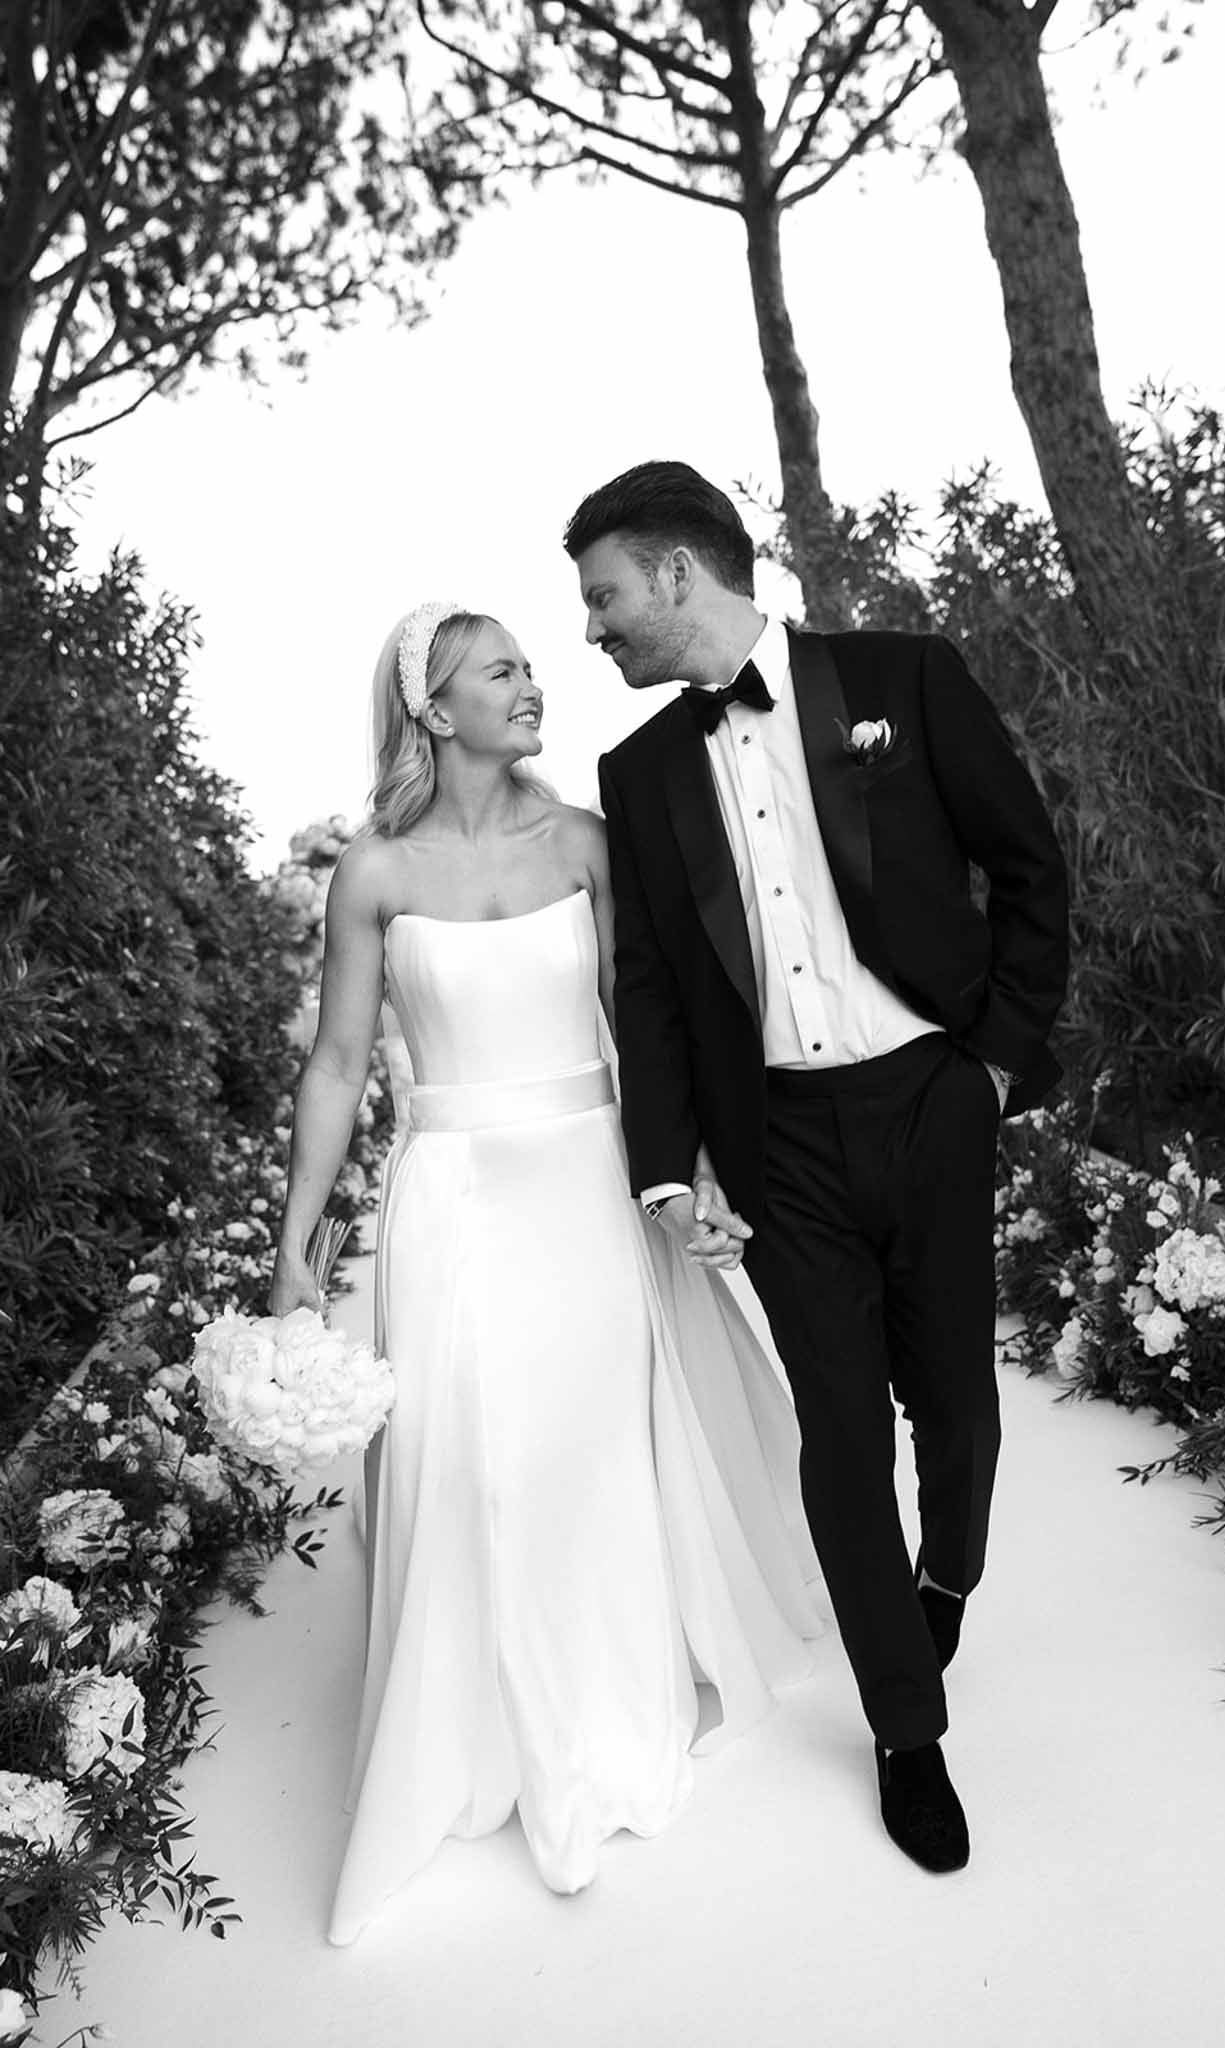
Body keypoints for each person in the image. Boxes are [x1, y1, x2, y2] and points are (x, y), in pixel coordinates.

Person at [269, 601, 822, 1947]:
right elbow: (339, 1064)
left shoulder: (584, 842)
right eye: (501, 670)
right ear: (434, 710)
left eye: (527, 665)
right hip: (451, 1195)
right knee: (481, 1461)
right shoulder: (375, 875)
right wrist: (291, 1251)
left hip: (585, 1178)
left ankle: (604, 1710)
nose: (532, 685)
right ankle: (486, 1736)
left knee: (589, 1447)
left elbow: (652, 1026)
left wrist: (692, 1173)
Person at [568, 461, 1070, 1876]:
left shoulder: (903, 680)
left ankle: (946, 1574)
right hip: (775, 1144)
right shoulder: (638, 772)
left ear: (677, 574)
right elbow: (653, 988)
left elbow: (1028, 869)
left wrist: (989, 1066)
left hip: (929, 1097)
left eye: (604, 598)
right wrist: (670, 1169)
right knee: (840, 1434)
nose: (594, 630)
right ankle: (905, 1731)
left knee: (953, 1404)